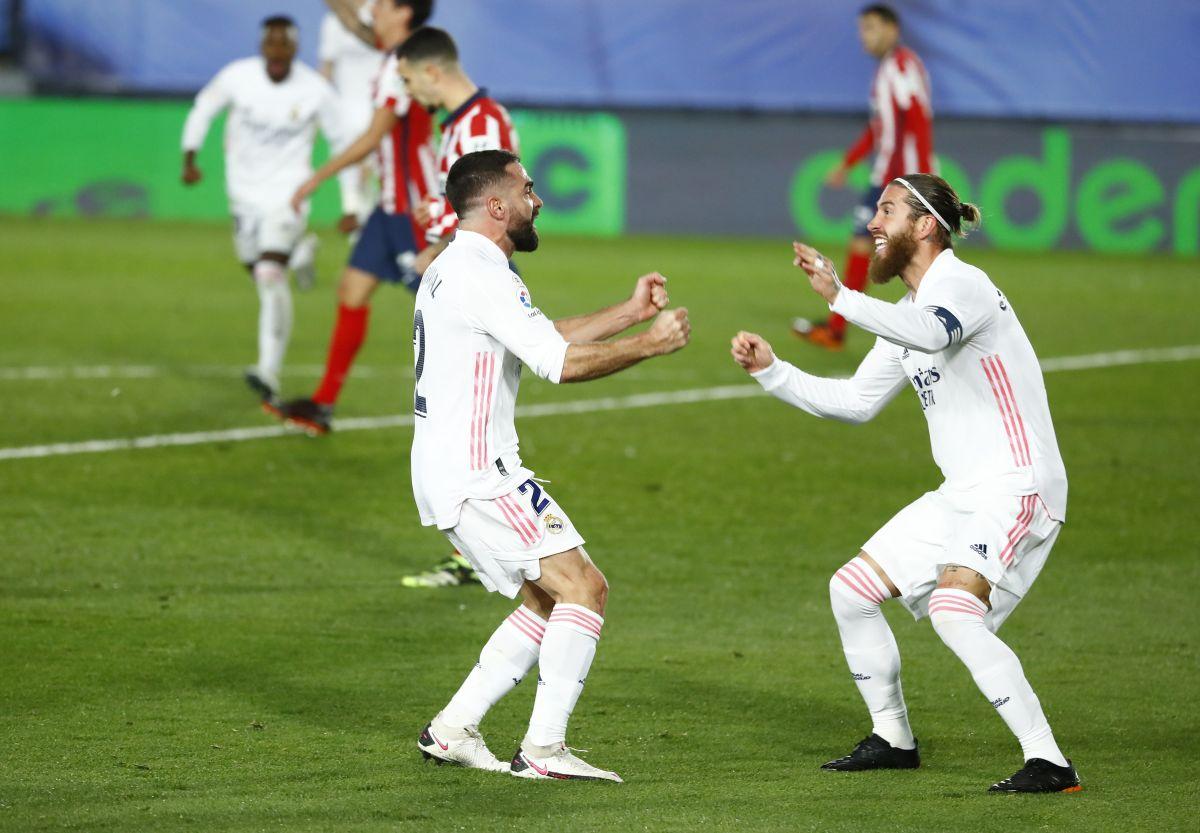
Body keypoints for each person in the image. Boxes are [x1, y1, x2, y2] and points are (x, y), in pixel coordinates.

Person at [732, 174, 1081, 793]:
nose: (873, 225)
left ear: (924, 226)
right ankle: (893, 738)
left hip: (1018, 484)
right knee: (851, 590)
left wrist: (841, 297)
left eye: (887, 212)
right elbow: (856, 402)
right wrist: (772, 372)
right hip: (963, 494)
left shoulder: (961, 286)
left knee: (953, 610)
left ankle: (1049, 761)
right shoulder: (906, 315)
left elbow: (934, 334)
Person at [412, 150, 690, 780]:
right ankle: (543, 751)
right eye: (527, 189)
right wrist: (650, 344)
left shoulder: (463, 265)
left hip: (453, 465)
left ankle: (452, 730)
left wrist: (627, 313)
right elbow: (557, 364)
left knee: (548, 599)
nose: (538, 200)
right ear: (497, 205)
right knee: (584, 588)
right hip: (479, 469)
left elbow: (536, 333)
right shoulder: (480, 272)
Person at [266, 0, 437, 436]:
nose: (372, 9)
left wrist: (316, 178)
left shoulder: (403, 63)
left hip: (416, 207)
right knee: (352, 290)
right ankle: (322, 405)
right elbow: (354, 22)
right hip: (390, 203)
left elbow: (373, 136)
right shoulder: (401, 54)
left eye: (380, 4)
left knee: (451, 305)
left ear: (402, 11)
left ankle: (518, 355)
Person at [181, 15, 356, 401]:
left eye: (284, 44)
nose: (277, 51)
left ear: (295, 49)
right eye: (271, 44)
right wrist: (189, 154)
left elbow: (343, 144)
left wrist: (350, 204)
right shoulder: (237, 77)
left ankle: (269, 370)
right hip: (244, 196)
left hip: (289, 196)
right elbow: (202, 110)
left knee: (268, 275)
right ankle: (301, 253)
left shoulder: (315, 90)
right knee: (254, 266)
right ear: (262, 47)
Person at [793, 4, 935, 351]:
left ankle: (844, 327)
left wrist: (919, 177)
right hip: (889, 177)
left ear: (892, 29)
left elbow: (918, 120)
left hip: (898, 179)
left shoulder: (901, 67)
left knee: (907, 252)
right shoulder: (888, 69)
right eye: (862, 30)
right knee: (872, 245)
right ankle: (839, 328)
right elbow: (879, 129)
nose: (865, 37)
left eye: (872, 28)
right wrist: (848, 163)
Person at [393, 26, 519, 276]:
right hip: (468, 264)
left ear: (430, 73)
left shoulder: (479, 124)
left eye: (407, 80)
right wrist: (439, 205)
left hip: (480, 270)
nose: (407, 91)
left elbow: (486, 208)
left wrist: (437, 236)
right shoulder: (462, 123)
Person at [318, 6, 386, 227]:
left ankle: (373, 216)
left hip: (380, 105)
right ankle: (353, 211)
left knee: (378, 169)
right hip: (345, 107)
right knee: (350, 167)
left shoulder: (382, 12)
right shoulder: (332, 21)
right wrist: (320, 106)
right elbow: (327, 66)